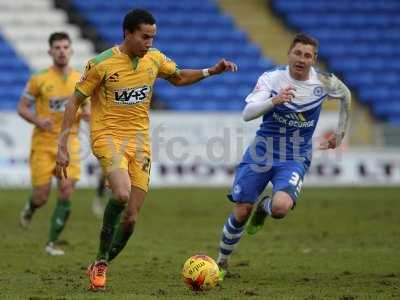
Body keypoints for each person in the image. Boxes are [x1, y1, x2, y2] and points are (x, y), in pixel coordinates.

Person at [55, 9, 237, 291]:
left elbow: (177, 77)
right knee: (121, 193)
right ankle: (102, 262)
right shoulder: (101, 64)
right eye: (144, 37)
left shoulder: (154, 59)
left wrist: (209, 71)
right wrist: (62, 145)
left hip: (140, 143)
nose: (149, 43)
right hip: (107, 136)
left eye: (152, 37)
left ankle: (100, 262)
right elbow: (73, 103)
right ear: (127, 33)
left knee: (130, 219)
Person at [215, 33, 351, 279]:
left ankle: (264, 209)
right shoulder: (271, 78)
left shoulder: (325, 82)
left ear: (314, 59)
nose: (301, 59)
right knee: (242, 210)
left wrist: (340, 134)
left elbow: (346, 96)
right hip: (261, 151)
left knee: (280, 208)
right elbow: (247, 113)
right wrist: (274, 101)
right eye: (297, 53)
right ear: (289, 53)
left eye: (307, 55)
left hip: (295, 155)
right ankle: (222, 262)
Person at [18, 32, 89, 255]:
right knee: (41, 195)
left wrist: (87, 113)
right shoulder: (39, 79)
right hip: (43, 143)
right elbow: (22, 107)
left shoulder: (81, 79)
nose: (61, 51)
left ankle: (51, 243)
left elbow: (87, 106)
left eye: (65, 47)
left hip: (70, 143)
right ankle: (31, 207)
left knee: (66, 191)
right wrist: (38, 120)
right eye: (57, 47)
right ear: (50, 51)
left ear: (71, 50)